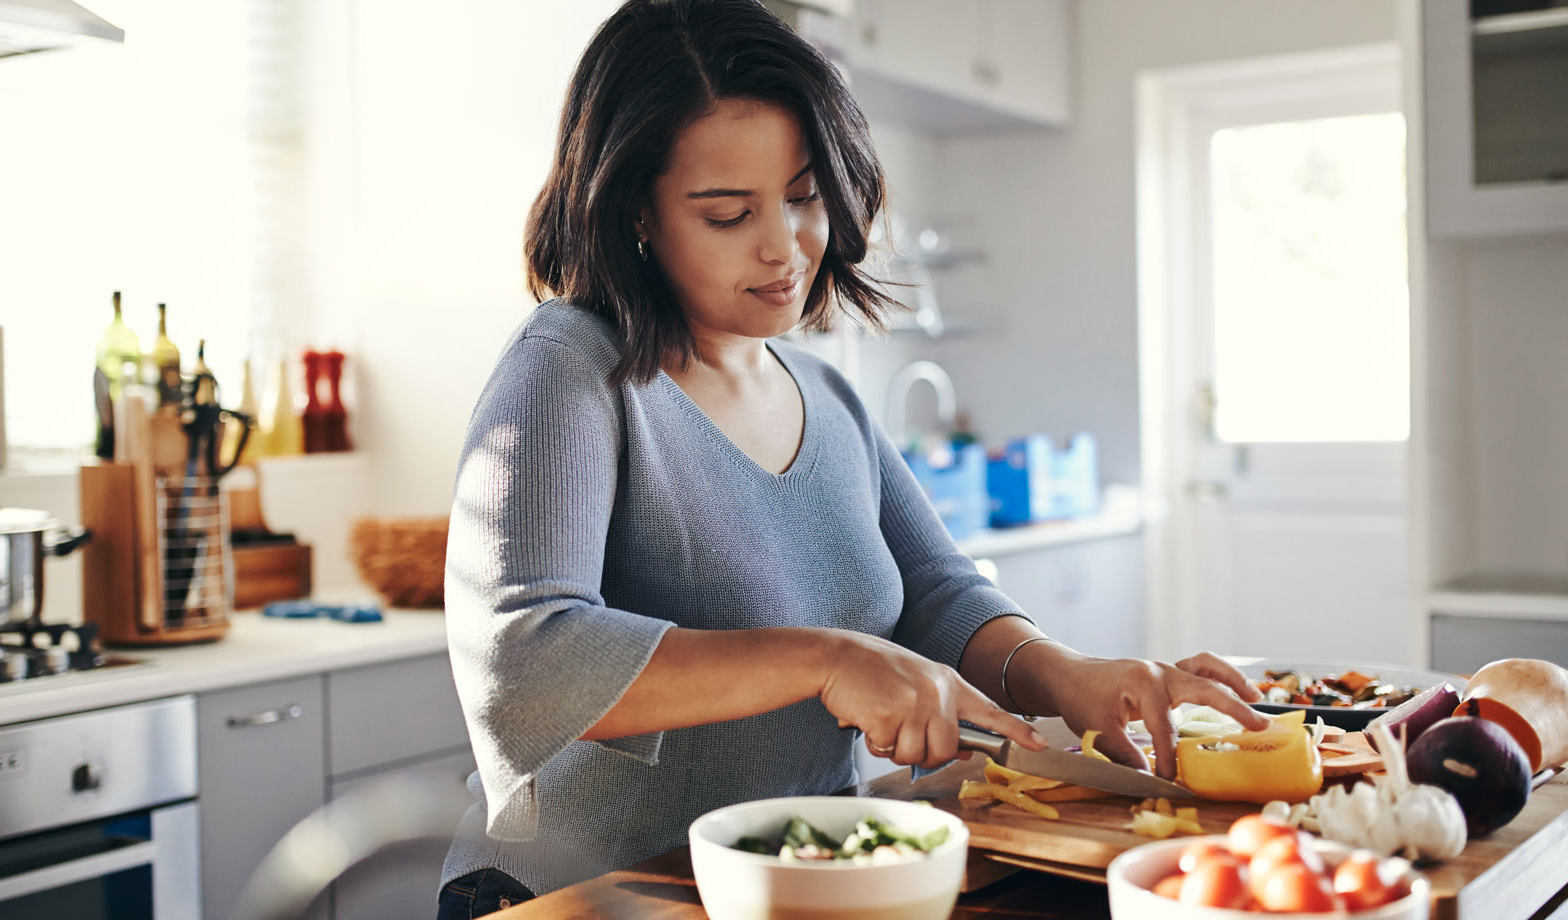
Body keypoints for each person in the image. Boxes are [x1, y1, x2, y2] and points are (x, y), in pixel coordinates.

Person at [438, 1, 1269, 915]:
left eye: (802, 196)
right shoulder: (567, 365)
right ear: (636, 208)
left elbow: (938, 596)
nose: (785, 246)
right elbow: (522, 659)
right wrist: (826, 659)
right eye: (728, 213)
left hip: (792, 878)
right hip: (589, 895)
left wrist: (1064, 675)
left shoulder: (823, 392)